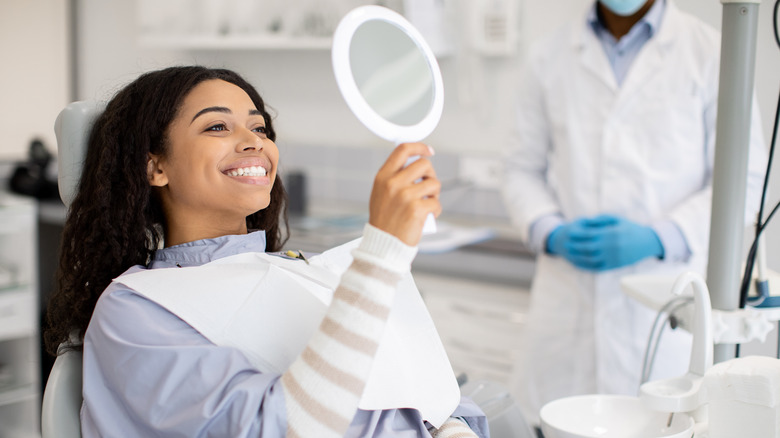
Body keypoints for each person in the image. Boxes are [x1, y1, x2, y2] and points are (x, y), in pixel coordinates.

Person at [45, 66, 488, 438]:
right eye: (217, 126)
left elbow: (425, 391)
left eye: (258, 127)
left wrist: (453, 426)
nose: (253, 140)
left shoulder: (298, 271)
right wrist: (381, 254)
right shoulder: (135, 309)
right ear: (155, 166)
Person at [501, 0, 767, 430]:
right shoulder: (548, 56)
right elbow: (519, 169)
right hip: (565, 315)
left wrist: (663, 237)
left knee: (664, 423)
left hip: (665, 313)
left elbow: (745, 181)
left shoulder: (712, 53)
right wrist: (549, 231)